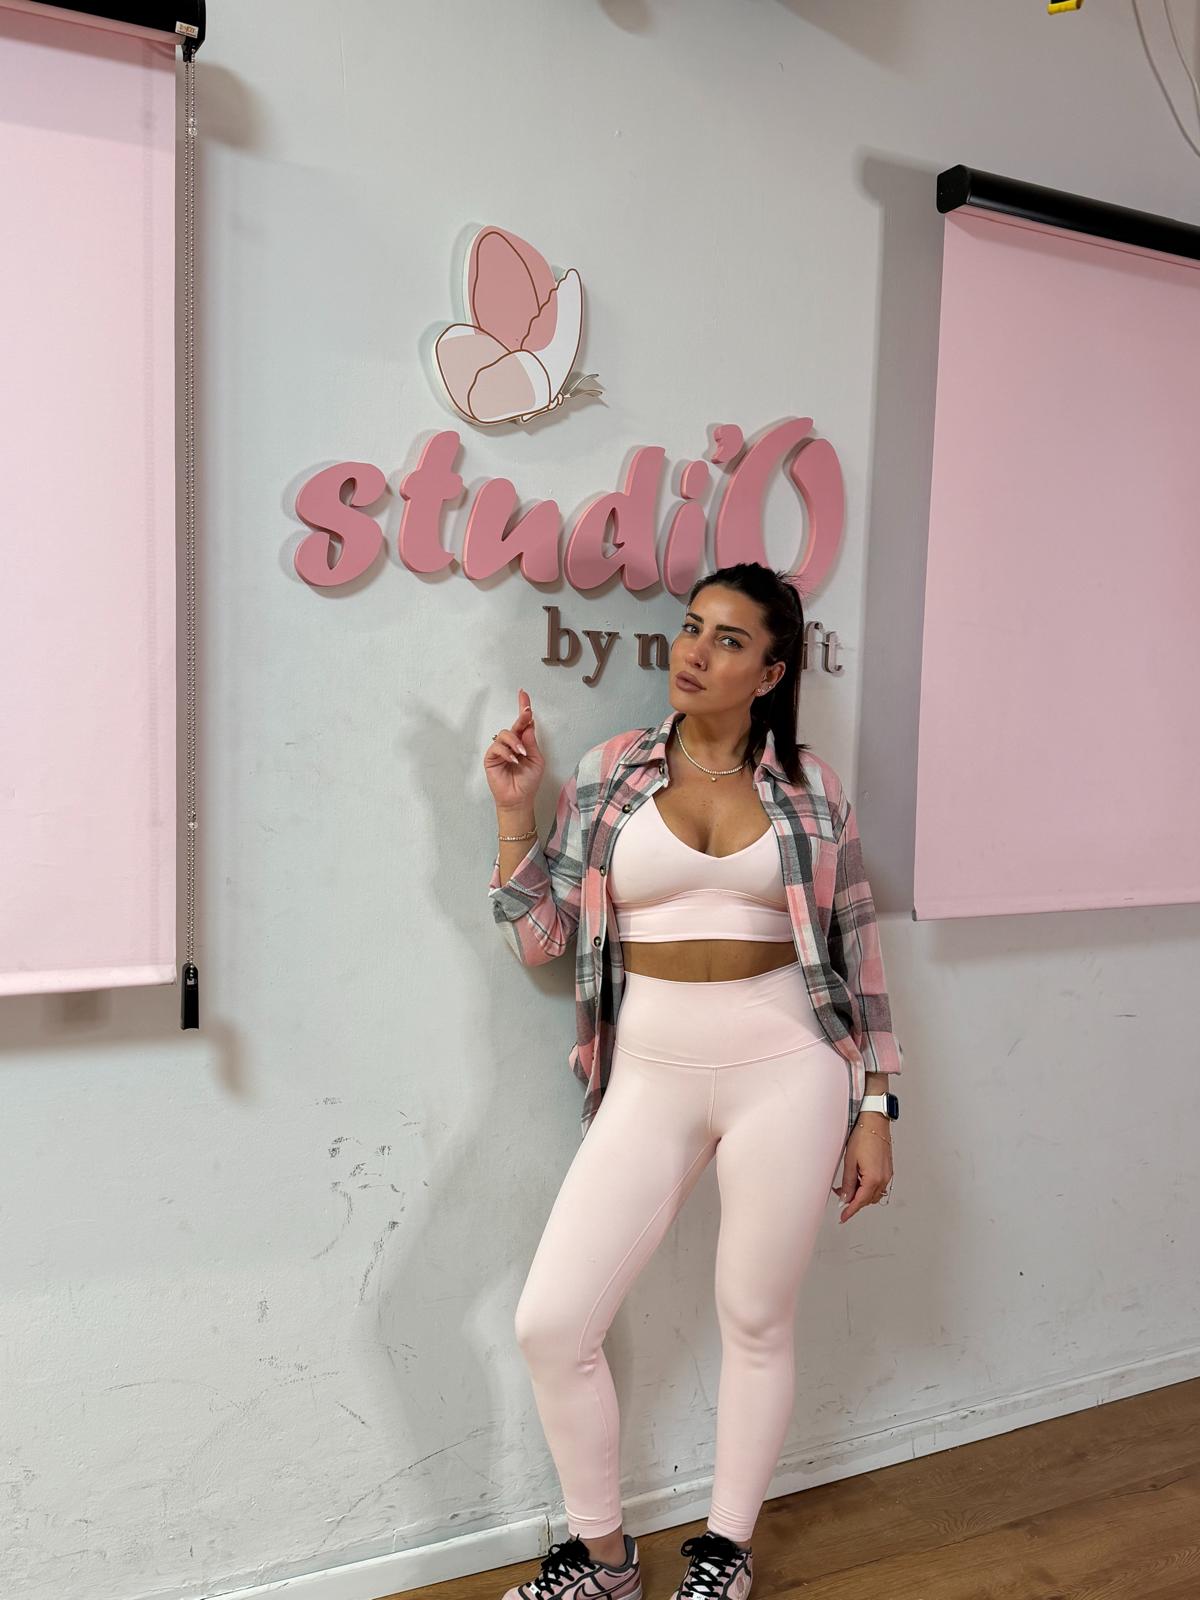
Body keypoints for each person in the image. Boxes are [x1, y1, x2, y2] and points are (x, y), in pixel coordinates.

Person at [484, 562, 903, 1600]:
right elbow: (542, 940)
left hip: (789, 1067)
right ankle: (604, 1563)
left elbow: (858, 953)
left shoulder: (811, 788)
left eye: (727, 639)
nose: (694, 653)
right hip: (649, 1073)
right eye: (689, 627)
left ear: (772, 671)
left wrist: (876, 1104)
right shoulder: (611, 772)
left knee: (754, 1317)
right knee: (552, 1323)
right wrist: (514, 814)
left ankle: (724, 1553)